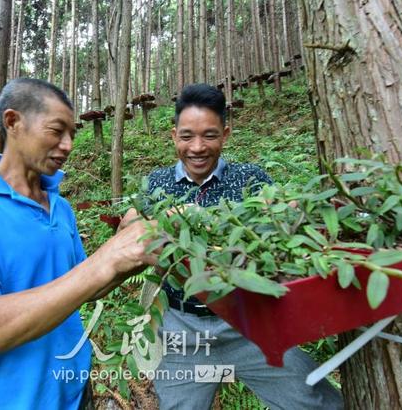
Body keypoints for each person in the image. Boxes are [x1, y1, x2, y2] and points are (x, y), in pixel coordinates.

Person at [0, 78, 157, 410]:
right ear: (13, 122)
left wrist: (129, 250)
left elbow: (84, 285)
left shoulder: (59, 206)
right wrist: (106, 259)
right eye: (56, 131)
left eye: (72, 135)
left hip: (73, 393)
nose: (67, 145)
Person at [128, 83, 343, 409]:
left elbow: (283, 227)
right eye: (187, 136)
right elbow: (129, 229)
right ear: (174, 136)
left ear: (226, 134)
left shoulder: (250, 180)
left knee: (316, 402)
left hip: (249, 325)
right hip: (184, 334)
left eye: (209, 135)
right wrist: (155, 227)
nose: (197, 147)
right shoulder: (156, 184)